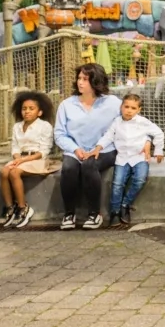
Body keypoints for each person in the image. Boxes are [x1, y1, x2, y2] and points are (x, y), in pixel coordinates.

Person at [53, 63, 122, 230]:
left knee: (89, 165)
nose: (80, 82)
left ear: (96, 80)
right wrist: (76, 149)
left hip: (104, 150)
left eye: (85, 79)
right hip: (75, 150)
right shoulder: (66, 105)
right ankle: (69, 214)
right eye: (79, 78)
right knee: (69, 168)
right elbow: (60, 134)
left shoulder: (113, 103)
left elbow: (130, 122)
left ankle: (94, 214)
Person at [89, 92, 165, 227]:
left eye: (133, 108)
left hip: (139, 157)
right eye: (126, 107)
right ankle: (115, 212)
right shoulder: (116, 122)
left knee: (140, 179)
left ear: (139, 110)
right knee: (117, 184)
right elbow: (108, 136)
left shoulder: (143, 122)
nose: (129, 111)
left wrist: (158, 150)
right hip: (122, 158)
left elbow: (158, 133)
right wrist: (98, 147)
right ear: (121, 107)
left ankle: (125, 204)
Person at [0, 91, 56, 228]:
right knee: (4, 172)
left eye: (31, 109)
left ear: (40, 112)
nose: (27, 112)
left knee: (14, 172)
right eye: (24, 109)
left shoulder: (45, 126)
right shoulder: (17, 127)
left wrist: (23, 161)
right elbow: (15, 147)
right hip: (21, 159)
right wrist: (17, 158)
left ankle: (23, 207)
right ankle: (9, 207)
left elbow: (43, 151)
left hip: (37, 160)